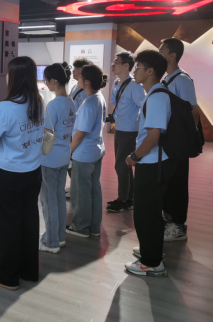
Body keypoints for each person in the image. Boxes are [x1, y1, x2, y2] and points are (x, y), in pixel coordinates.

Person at [0, 56, 44, 291]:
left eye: (9, 73)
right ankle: (28, 271)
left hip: (9, 174)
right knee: (29, 220)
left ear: (15, 77)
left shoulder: (5, 107)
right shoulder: (39, 102)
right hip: (33, 172)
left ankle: (7, 276)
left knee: (8, 222)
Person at [124, 50, 175, 277]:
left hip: (153, 164)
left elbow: (153, 137)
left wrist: (134, 157)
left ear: (151, 71)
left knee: (147, 213)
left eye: (138, 68)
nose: (135, 72)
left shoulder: (156, 97)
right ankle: (150, 250)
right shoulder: (155, 94)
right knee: (149, 211)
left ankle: (152, 262)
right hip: (154, 162)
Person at [159, 38, 199, 242]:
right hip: (167, 141)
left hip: (178, 142)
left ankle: (179, 226)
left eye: (162, 51)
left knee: (178, 184)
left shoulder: (182, 80)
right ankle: (169, 219)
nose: (159, 54)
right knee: (168, 181)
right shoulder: (166, 79)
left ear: (172, 56)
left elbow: (193, 111)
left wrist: (186, 138)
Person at [66, 64, 108, 238]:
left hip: (84, 154)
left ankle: (80, 227)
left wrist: (69, 151)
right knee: (94, 190)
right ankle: (94, 227)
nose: (77, 78)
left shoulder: (89, 102)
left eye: (80, 76)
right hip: (96, 150)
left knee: (80, 192)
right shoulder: (98, 97)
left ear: (88, 81)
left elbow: (81, 133)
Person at [39, 62, 76, 254]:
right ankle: (59, 237)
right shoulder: (71, 102)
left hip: (50, 158)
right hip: (64, 156)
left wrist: (39, 153)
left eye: (46, 80)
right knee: (59, 197)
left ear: (53, 81)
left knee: (48, 200)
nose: (46, 84)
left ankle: (51, 241)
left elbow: (47, 134)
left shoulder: (53, 105)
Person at [107, 52, 146, 213]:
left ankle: (123, 200)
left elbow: (144, 105)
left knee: (121, 165)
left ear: (126, 66)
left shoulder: (135, 85)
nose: (113, 64)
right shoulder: (116, 83)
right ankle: (129, 198)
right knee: (125, 165)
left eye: (116, 62)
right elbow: (115, 103)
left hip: (129, 130)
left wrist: (140, 126)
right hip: (119, 129)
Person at [65, 57, 92, 196]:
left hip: (77, 130)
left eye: (76, 69)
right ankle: (74, 186)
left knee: (74, 161)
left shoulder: (87, 93)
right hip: (71, 128)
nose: (73, 71)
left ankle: (77, 189)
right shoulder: (76, 87)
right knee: (71, 162)